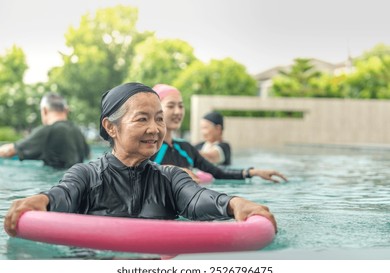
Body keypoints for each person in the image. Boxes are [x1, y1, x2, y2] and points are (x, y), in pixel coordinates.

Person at [4, 82, 277, 237]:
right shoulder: (85, 175)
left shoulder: (170, 177)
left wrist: (234, 203)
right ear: (111, 127)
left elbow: (196, 198)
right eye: (142, 119)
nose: (155, 129)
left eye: (159, 119)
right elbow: (62, 195)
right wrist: (39, 201)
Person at [150, 84, 288, 183]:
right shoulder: (148, 146)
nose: (178, 111)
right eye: (170, 106)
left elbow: (218, 172)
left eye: (181, 105)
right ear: (156, 108)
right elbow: (136, 172)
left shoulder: (185, 148)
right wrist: (174, 171)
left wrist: (253, 172)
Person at [0, 93, 90, 169]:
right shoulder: (77, 131)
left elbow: (8, 151)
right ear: (66, 110)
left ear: (45, 110)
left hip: (56, 185)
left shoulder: (48, 131)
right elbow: (88, 156)